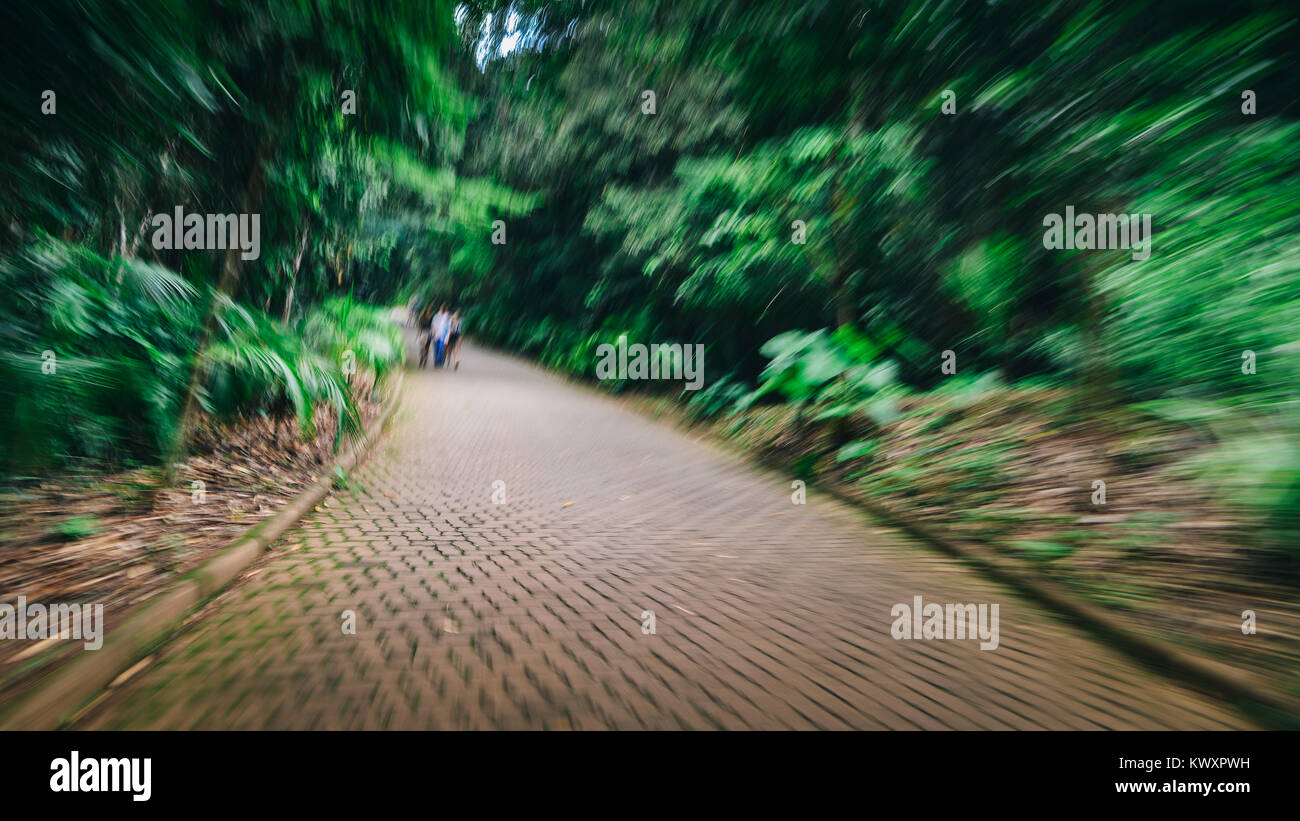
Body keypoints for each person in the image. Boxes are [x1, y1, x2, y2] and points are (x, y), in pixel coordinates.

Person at [431, 303, 451, 368]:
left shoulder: (447, 317)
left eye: (443, 309)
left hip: (443, 336)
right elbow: (433, 326)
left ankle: (438, 362)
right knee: (436, 349)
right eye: (441, 308)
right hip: (436, 335)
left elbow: (449, 326)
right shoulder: (436, 316)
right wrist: (433, 335)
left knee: (440, 349)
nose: (441, 310)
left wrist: (447, 336)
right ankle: (436, 361)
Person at [417, 303, 434, 368]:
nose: (428, 313)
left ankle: (425, 361)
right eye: (427, 311)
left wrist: (433, 334)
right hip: (423, 334)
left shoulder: (431, 318)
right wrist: (417, 336)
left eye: (429, 311)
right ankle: (422, 358)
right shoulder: (422, 318)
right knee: (421, 347)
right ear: (425, 312)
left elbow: (433, 327)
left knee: (427, 348)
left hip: (429, 334)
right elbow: (419, 327)